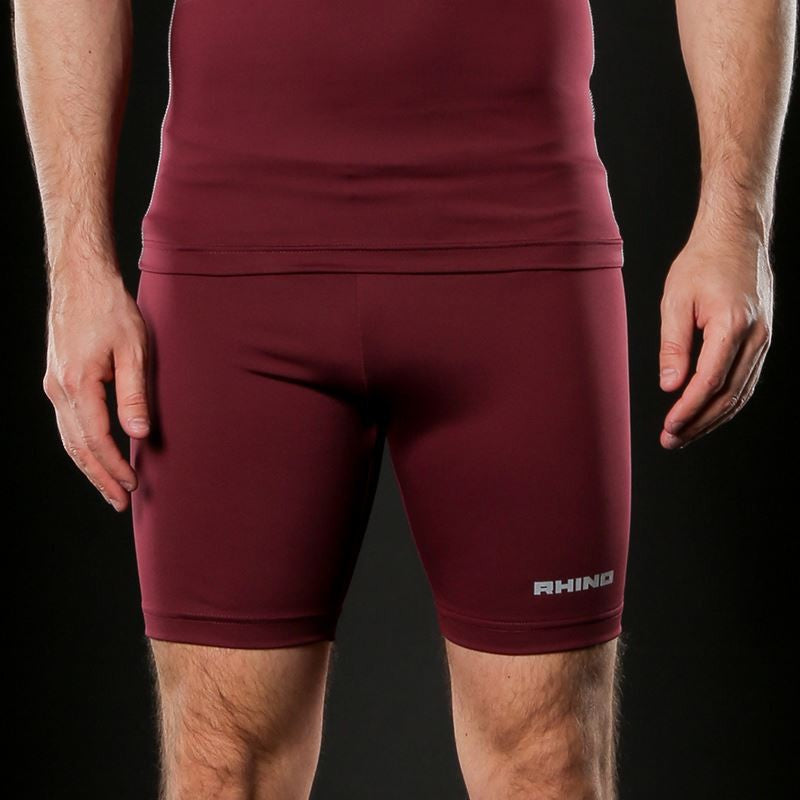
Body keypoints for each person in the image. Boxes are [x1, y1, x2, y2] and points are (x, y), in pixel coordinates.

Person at [15, 0, 787, 797]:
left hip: (519, 243)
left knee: (549, 764)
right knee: (222, 764)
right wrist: (77, 268)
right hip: (234, 252)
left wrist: (737, 223)